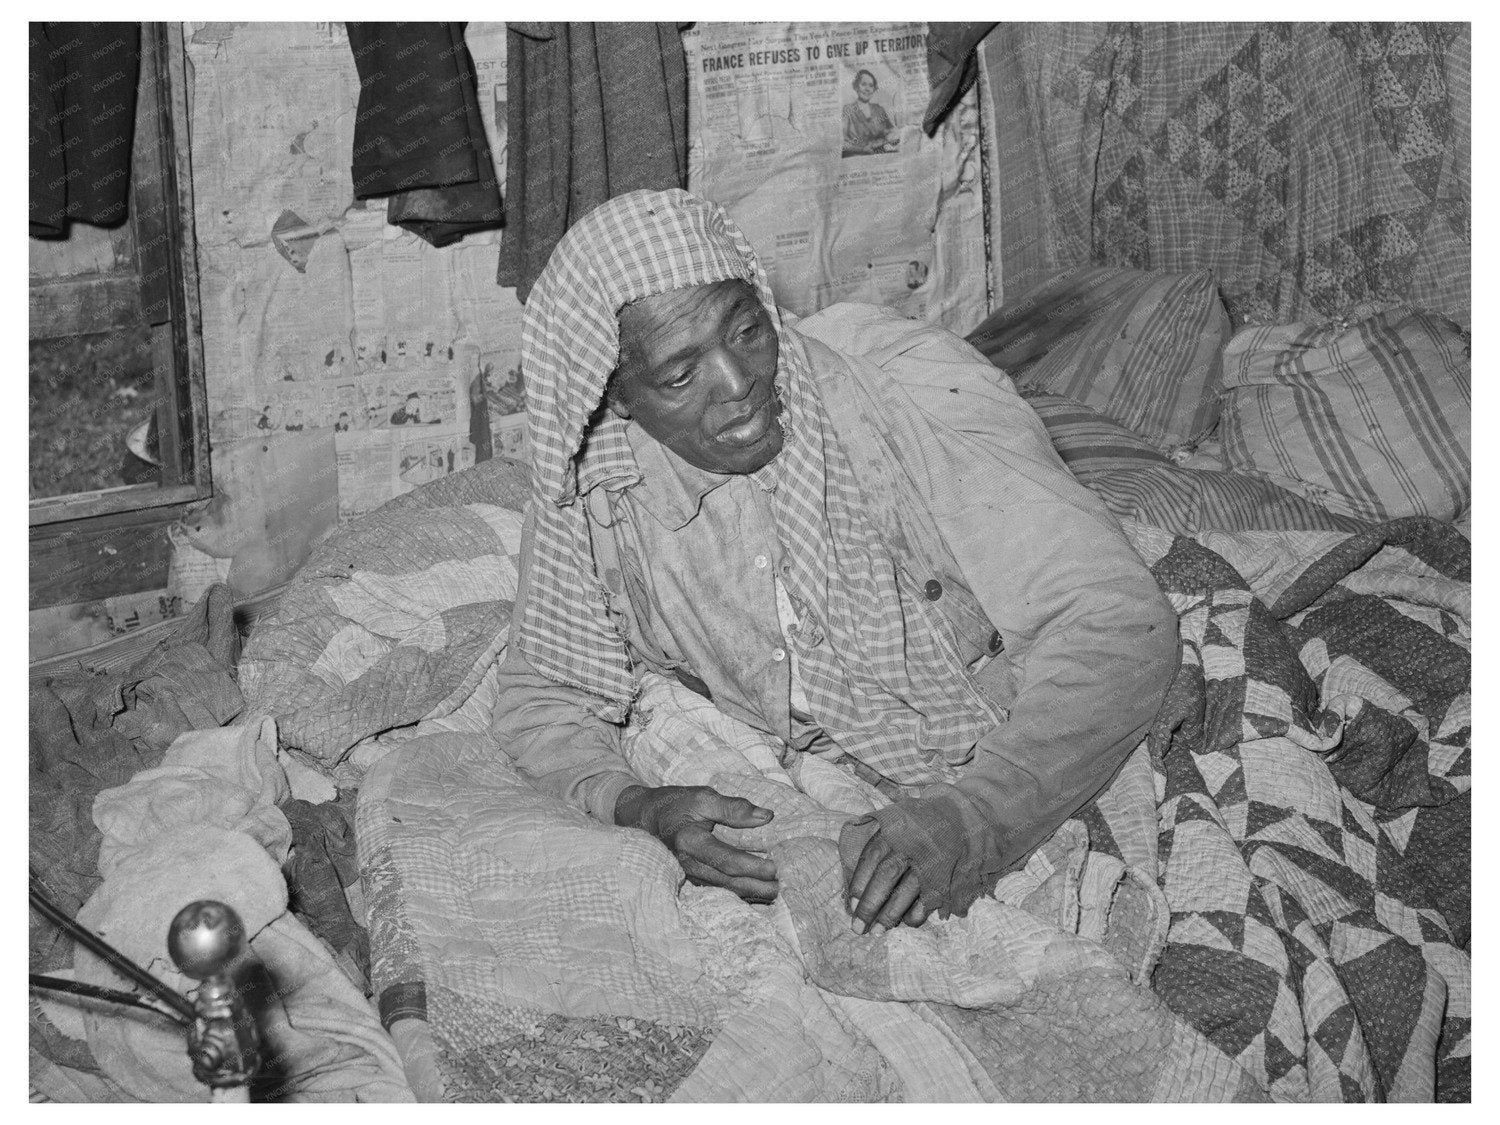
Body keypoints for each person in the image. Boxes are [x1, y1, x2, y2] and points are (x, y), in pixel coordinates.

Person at [494, 189, 1178, 937]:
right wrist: (638, 807)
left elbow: (1117, 621)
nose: (739, 381)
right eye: (681, 375)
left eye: (747, 330)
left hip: (992, 737)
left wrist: (973, 819)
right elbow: (544, 698)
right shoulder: (593, 494)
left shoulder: (901, 389)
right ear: (618, 398)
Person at [841, 69, 898, 157]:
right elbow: (842, 143)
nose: (867, 89)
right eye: (863, 84)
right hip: (857, 157)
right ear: (856, 87)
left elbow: (890, 131)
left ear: (874, 89)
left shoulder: (879, 109)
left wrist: (892, 136)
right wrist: (862, 149)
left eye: (871, 85)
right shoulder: (847, 110)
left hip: (883, 155)